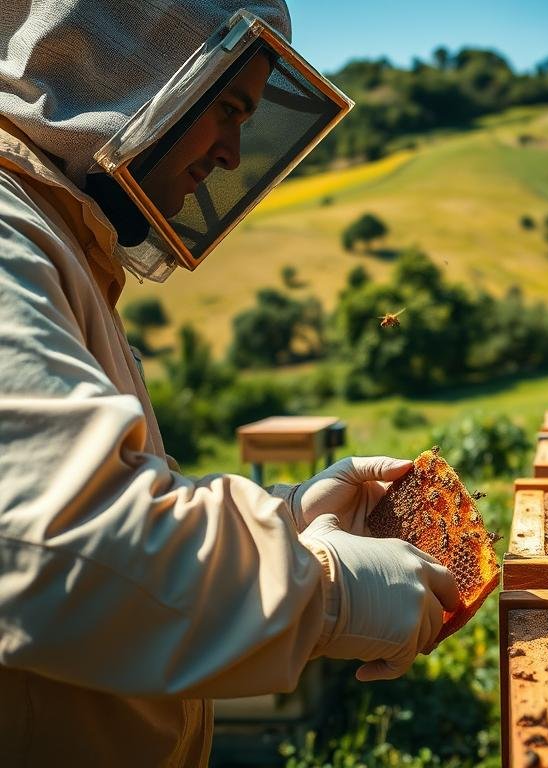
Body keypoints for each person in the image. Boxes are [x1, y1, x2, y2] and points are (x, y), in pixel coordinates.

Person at [0, 2, 459, 765]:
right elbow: (47, 541)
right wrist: (323, 590)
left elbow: (102, 497)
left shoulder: (56, 243)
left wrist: (288, 515)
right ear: (127, 57)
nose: (231, 152)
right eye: (227, 107)